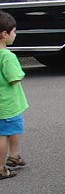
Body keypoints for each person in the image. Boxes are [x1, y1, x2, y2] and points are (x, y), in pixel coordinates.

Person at [0, 11, 28, 180]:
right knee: (4, 133)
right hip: (7, 103)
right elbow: (14, 78)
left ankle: (14, 156)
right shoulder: (7, 56)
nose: (15, 35)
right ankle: (1, 167)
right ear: (4, 34)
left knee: (12, 130)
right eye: (14, 31)